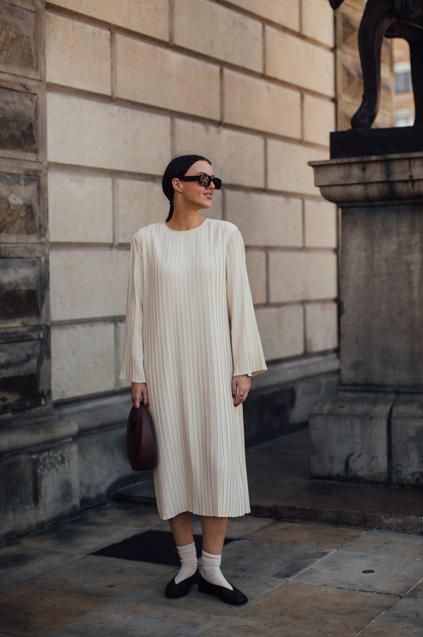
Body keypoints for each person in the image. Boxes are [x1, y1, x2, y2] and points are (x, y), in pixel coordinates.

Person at [120, 154, 268, 605]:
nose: (211, 186)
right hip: (164, 370)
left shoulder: (225, 235)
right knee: (175, 464)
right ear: (175, 185)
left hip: (215, 367)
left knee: (217, 461)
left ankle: (212, 568)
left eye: (214, 180)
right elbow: (137, 309)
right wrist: (138, 374)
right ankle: (186, 563)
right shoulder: (147, 239)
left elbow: (238, 301)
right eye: (202, 179)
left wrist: (242, 365)